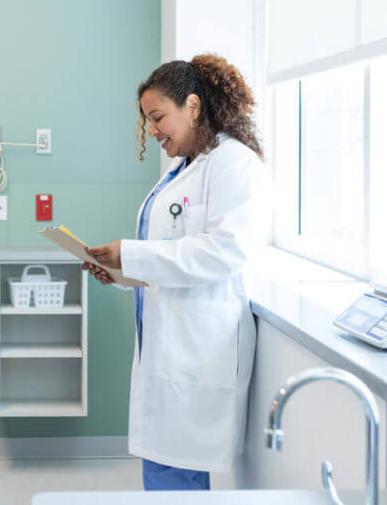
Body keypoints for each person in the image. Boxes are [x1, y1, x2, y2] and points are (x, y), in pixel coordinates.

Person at [83, 55, 270, 491]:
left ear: (192, 105)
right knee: (166, 474)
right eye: (149, 120)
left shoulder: (234, 164)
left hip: (198, 354)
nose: (152, 130)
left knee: (178, 479)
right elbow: (170, 255)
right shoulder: (182, 169)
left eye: (157, 117)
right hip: (168, 348)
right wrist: (122, 272)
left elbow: (226, 251)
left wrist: (130, 256)